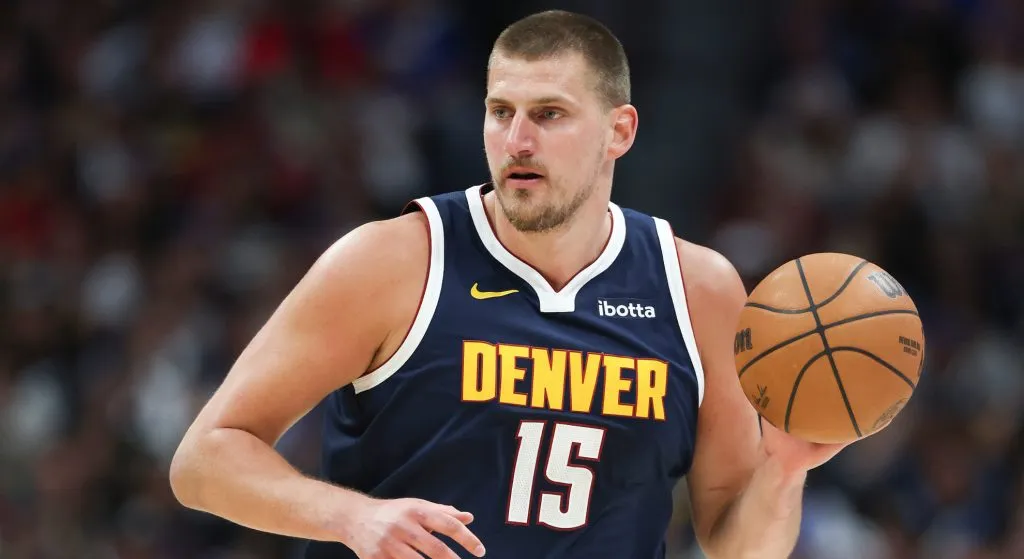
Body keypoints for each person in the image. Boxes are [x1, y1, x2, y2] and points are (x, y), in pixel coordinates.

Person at [169, 9, 847, 559]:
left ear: (620, 131)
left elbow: (736, 545)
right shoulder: (395, 262)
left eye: (549, 114)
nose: (517, 139)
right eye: (501, 111)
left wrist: (784, 471)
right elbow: (204, 459)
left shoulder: (698, 290)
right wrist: (349, 515)